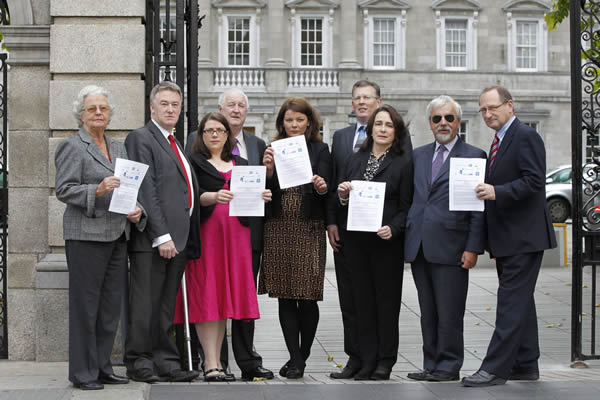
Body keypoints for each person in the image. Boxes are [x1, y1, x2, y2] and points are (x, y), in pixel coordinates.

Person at [462, 85, 557, 387]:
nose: (488, 114)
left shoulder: (526, 136)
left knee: (509, 302)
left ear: (510, 106)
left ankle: (495, 368)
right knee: (521, 301)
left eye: (493, 108)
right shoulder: (499, 140)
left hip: (525, 238)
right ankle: (526, 364)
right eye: (483, 110)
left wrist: (496, 191)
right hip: (508, 238)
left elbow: (534, 182)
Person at [55, 85, 143, 390]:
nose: (98, 113)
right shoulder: (73, 147)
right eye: (92, 108)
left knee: (108, 310)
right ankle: (82, 372)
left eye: (103, 108)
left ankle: (103, 367)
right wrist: (97, 189)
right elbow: (64, 190)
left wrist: (136, 209)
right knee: (85, 308)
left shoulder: (118, 147)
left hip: (117, 234)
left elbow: (130, 188)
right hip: (86, 237)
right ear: (81, 114)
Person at [173, 112, 271, 381]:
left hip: (237, 237)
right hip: (208, 236)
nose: (214, 135)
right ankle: (211, 363)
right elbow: (190, 197)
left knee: (225, 298)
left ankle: (218, 363)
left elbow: (250, 198)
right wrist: (213, 196)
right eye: (208, 131)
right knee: (208, 295)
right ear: (201, 136)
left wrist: (261, 195)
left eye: (219, 130)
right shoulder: (193, 163)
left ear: (228, 135)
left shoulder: (241, 163)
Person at [404, 95, 486, 382]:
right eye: (437, 118)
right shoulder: (418, 155)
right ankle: (431, 364)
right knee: (428, 311)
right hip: (420, 246)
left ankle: (449, 366)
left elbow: (478, 208)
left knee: (450, 312)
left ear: (458, 122)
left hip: (453, 247)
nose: (443, 123)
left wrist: (473, 247)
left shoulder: (474, 156)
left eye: (449, 118)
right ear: (430, 123)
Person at [124, 81, 200, 383]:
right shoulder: (141, 138)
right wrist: (161, 235)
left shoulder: (174, 141)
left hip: (176, 240)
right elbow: (147, 189)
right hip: (155, 241)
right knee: (145, 304)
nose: (171, 109)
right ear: (152, 107)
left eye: (175, 105)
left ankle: (165, 361)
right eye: (165, 104)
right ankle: (139, 362)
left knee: (165, 305)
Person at [337, 104, 413, 381]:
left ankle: (384, 360)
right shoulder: (355, 159)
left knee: (386, 303)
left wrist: (394, 228)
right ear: (370, 129)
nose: (382, 129)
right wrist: (343, 194)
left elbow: (407, 205)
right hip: (356, 242)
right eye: (378, 124)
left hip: (386, 244)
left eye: (388, 125)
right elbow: (341, 200)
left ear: (397, 131)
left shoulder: (404, 162)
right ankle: (366, 360)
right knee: (361, 304)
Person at [259, 97, 331, 379]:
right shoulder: (272, 150)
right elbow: (262, 191)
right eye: (289, 120)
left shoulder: (320, 149)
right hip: (278, 226)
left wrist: (322, 186)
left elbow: (329, 188)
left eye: (299, 120)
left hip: (308, 226)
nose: (294, 125)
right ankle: (295, 357)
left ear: (309, 122)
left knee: (308, 295)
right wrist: (268, 172)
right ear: (282, 123)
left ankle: (302, 356)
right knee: (284, 295)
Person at [327, 80, 382, 379]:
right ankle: (354, 357)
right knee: (349, 298)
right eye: (357, 98)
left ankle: (376, 358)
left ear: (378, 101)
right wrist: (331, 222)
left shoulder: (391, 134)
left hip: (377, 232)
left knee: (374, 298)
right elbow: (335, 179)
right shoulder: (341, 136)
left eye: (367, 98)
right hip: (345, 231)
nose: (361, 102)